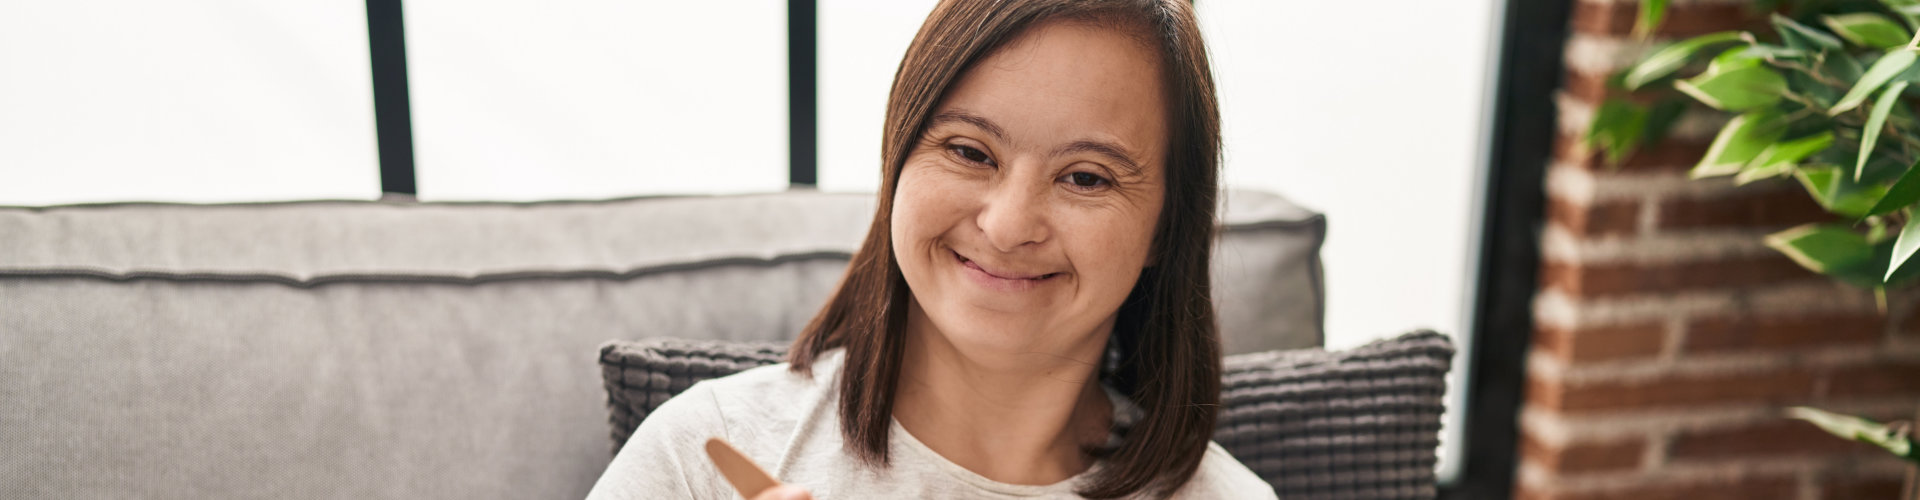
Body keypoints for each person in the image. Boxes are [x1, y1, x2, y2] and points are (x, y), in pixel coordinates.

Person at [586, 0, 1274, 498]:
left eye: (1086, 178)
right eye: (970, 151)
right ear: (897, 163)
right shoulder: (701, 456)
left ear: (1165, 227)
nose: (1007, 225)